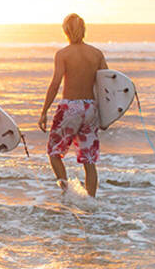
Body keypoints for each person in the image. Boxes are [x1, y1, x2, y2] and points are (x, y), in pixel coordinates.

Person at [38, 13, 107, 196]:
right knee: (89, 159)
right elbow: (107, 85)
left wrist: (44, 111)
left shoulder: (63, 54)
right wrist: (106, 115)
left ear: (66, 31)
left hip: (70, 108)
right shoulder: (96, 54)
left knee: (54, 152)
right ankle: (90, 200)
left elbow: (55, 84)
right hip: (90, 108)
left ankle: (68, 193)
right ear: (84, 30)